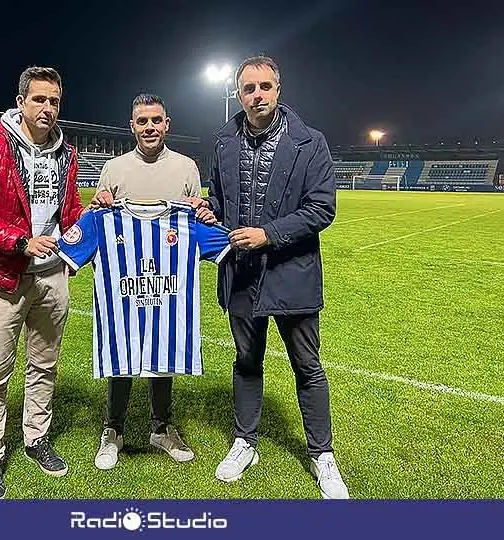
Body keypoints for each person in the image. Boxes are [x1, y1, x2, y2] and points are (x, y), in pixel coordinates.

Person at [188, 55, 349, 498]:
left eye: (265, 86)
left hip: (291, 272)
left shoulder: (310, 142)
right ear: (238, 94)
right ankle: (245, 442)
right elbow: (218, 198)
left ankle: (322, 455)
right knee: (246, 361)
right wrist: (210, 210)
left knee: (308, 366)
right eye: (248, 88)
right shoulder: (222, 140)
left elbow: (322, 208)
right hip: (240, 274)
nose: (256, 95)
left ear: (278, 89)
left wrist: (268, 235)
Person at [0, 66, 85, 499]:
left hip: (53, 278)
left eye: (54, 101)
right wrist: (21, 242)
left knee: (44, 366)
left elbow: (70, 214)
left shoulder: (68, 154)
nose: (47, 108)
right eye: (39, 100)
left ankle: (36, 439)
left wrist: (93, 219)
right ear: (21, 102)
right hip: (3, 278)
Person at [89, 93, 216, 470]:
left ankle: (161, 428)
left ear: (167, 124)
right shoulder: (114, 168)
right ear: (132, 126)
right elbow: (100, 214)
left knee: (165, 345)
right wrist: (97, 205)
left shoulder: (187, 168)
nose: (149, 128)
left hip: (169, 280)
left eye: (156, 121)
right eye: (142, 121)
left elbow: (200, 217)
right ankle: (113, 429)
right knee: (122, 349)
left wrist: (206, 214)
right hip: (124, 278)